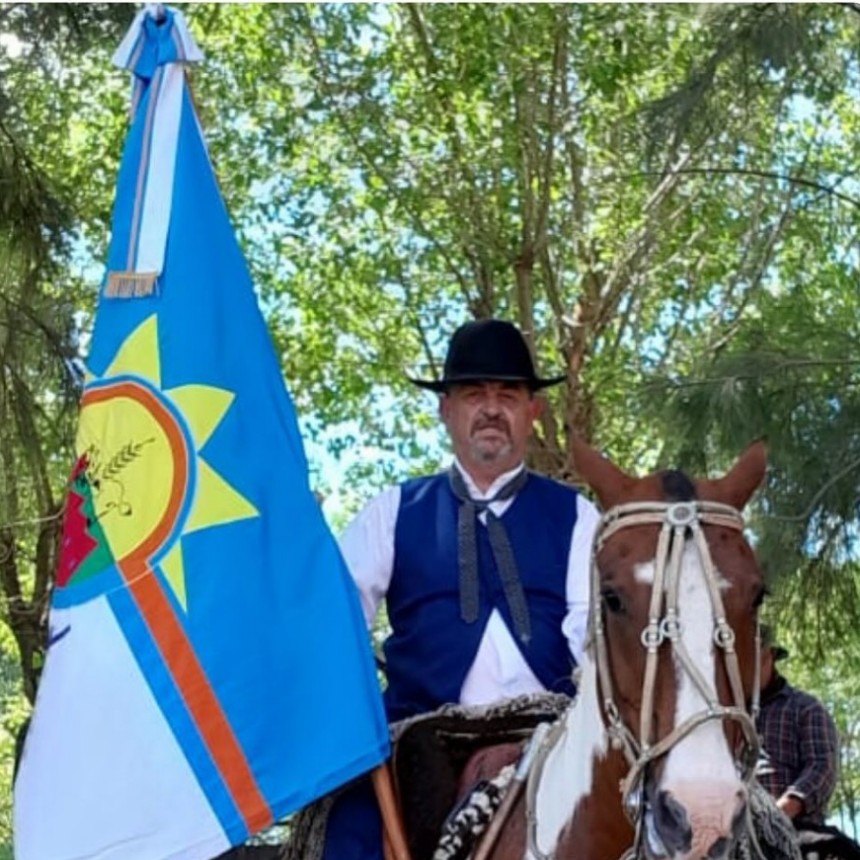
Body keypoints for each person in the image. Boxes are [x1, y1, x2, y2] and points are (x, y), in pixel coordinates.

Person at [321, 318, 600, 860]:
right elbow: (336, 622)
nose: (492, 408)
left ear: (532, 412)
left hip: (549, 734)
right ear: (445, 410)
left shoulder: (577, 516)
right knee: (346, 831)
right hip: (420, 734)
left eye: (508, 395)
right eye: (474, 394)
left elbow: (593, 634)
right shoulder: (394, 512)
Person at [756, 625, 839, 826]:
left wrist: (780, 812)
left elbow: (821, 767)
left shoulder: (805, 707)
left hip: (795, 826)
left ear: (771, 656)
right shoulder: (727, 716)